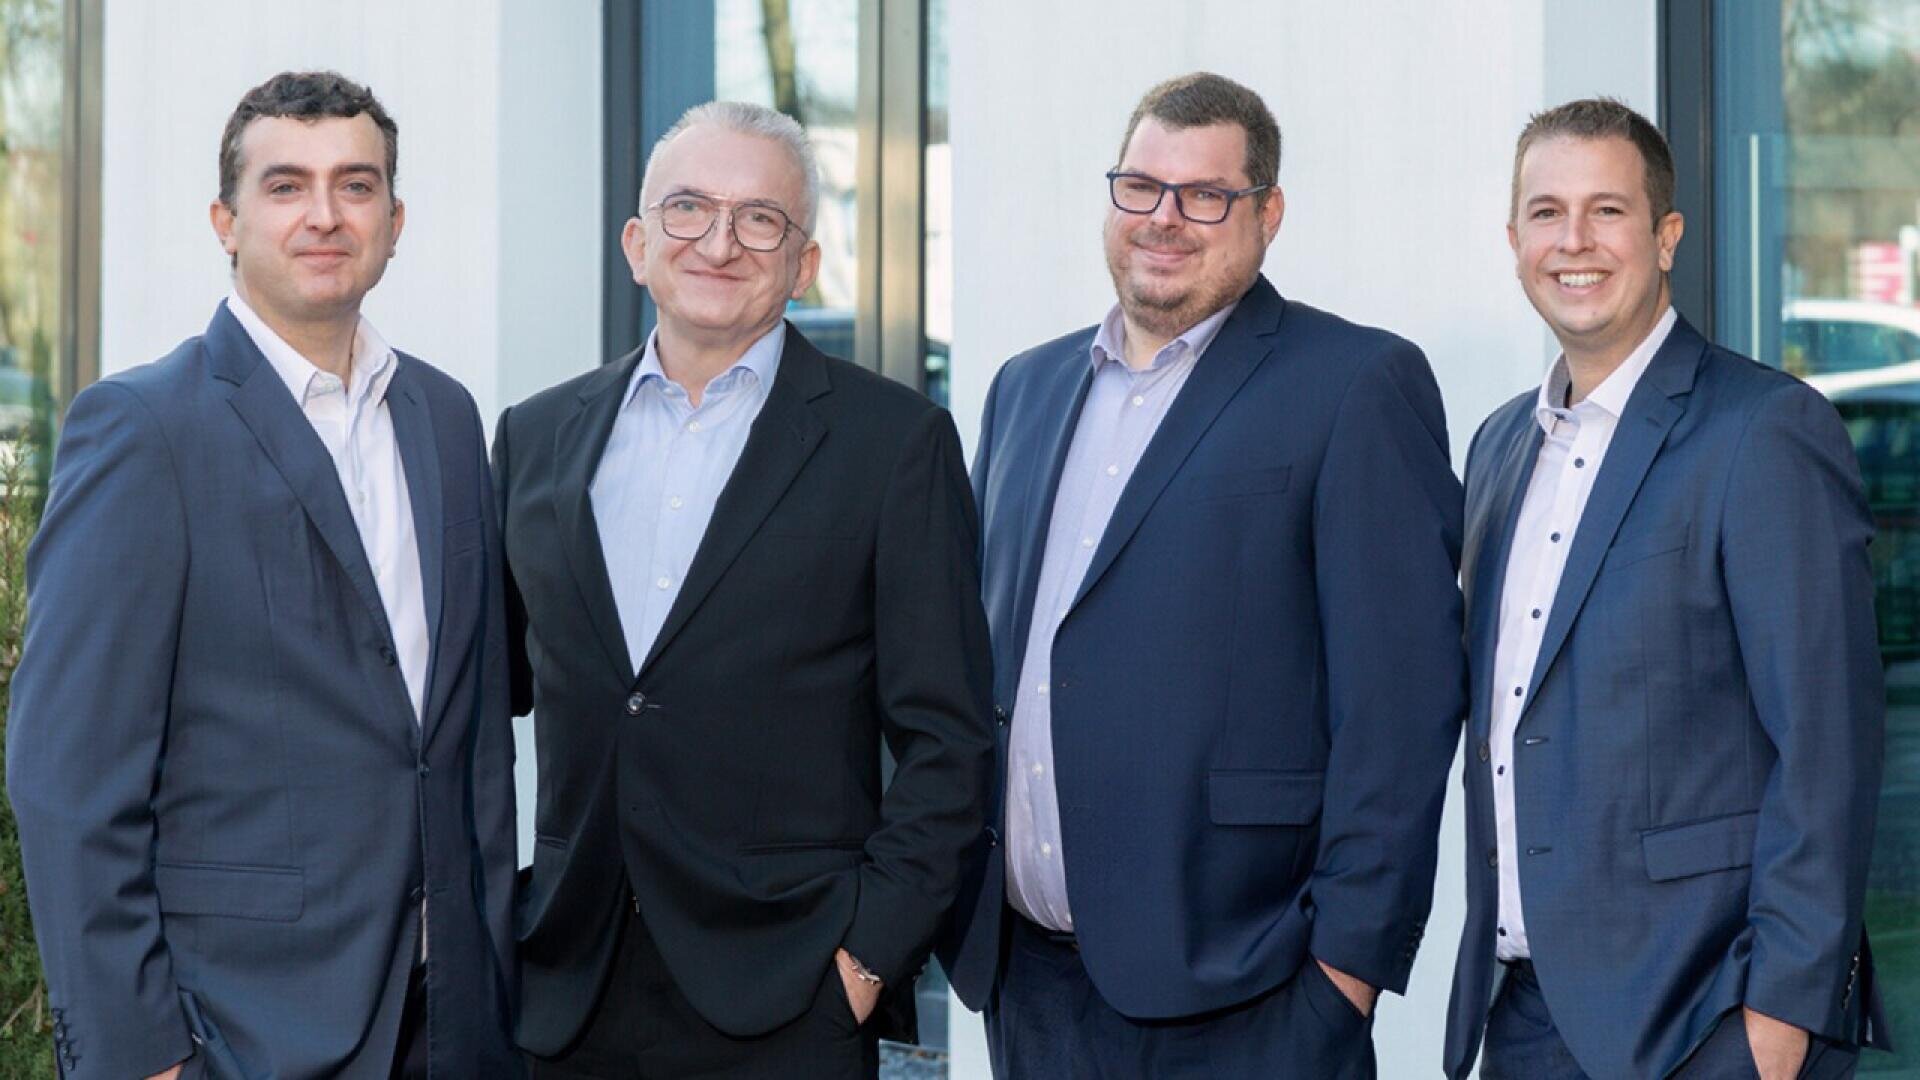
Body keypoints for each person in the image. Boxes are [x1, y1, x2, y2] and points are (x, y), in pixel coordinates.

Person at [942, 71, 1466, 1078]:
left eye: (1206, 195)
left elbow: (1401, 706)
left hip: (1248, 990)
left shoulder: (1355, 383)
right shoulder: (1026, 387)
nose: (1164, 218)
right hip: (1029, 985)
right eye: (1140, 186)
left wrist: (1346, 973)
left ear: (1268, 212)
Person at [5, 70, 519, 1079]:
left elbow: (469, 741)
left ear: (395, 221)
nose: (325, 215)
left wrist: (493, 979)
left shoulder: (448, 419)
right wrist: (139, 1055)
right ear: (226, 223)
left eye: (356, 185)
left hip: (450, 1020)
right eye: (286, 186)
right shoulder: (144, 429)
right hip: (241, 1032)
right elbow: (67, 778)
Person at [498, 100, 993, 1079]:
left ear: (804, 264)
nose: (719, 242)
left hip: (790, 994)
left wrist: (867, 960)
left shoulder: (893, 444)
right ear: (637, 244)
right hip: (568, 989)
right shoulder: (534, 437)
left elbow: (951, 740)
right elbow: (480, 702)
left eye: (760, 219)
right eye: (688, 209)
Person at [1443, 97, 1889, 1080]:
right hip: (1523, 1015)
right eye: (1547, 212)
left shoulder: (1763, 431)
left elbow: (1828, 742)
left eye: (1607, 210)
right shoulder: (1498, 448)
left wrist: (1780, 1015)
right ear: (1514, 241)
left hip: (1704, 1016)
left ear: (1667, 236)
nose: (1574, 240)